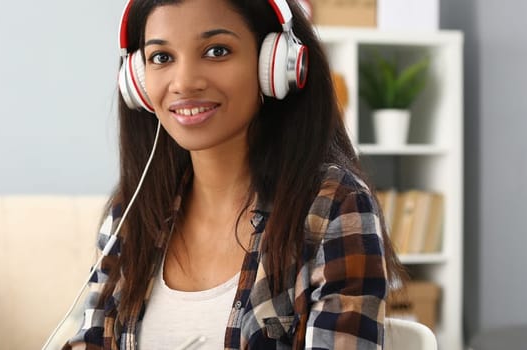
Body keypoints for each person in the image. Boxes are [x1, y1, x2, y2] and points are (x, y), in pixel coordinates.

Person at [60, 0, 405, 348]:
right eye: (162, 58)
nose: (184, 82)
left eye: (216, 51)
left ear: (274, 63)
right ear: (137, 81)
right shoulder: (131, 214)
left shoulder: (333, 206)